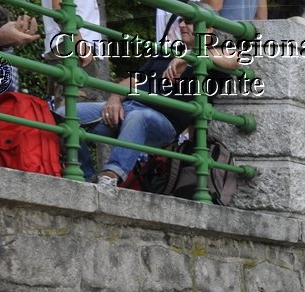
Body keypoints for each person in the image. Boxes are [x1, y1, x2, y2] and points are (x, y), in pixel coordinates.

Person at [65, 14, 239, 185]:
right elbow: (134, 80)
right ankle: (85, 178)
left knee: (139, 117)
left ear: (209, 29)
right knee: (64, 115)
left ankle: (111, 176)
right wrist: (114, 98)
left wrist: (189, 59)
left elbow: (235, 59)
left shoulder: (217, 55)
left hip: (163, 123)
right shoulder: (169, 50)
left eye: (190, 22)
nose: (182, 25)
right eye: (181, 21)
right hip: (127, 108)